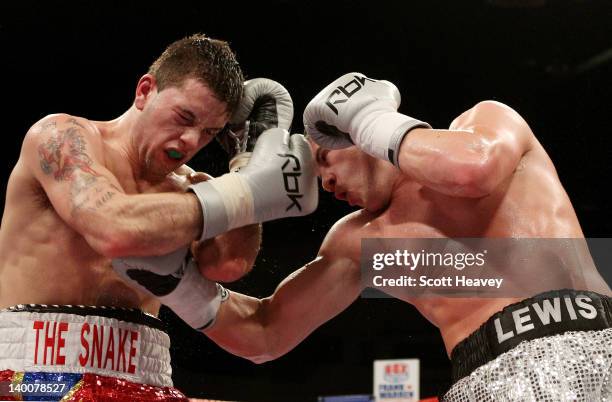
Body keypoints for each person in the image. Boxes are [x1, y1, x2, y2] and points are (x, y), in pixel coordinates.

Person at [196, 73, 610, 400]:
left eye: (324, 158)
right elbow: (267, 332)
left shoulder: (484, 121)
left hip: (600, 340)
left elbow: (471, 169)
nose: (325, 182)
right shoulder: (362, 240)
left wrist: (369, 119)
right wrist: (177, 284)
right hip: (491, 379)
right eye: (315, 176)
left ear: (354, 131)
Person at [0, 33, 317, 401]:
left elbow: (228, 264)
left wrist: (247, 165)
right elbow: (112, 226)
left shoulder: (193, 188)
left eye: (209, 133)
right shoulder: (63, 137)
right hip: (30, 376)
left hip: (146, 377)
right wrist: (247, 193)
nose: (189, 140)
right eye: (184, 117)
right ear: (145, 90)